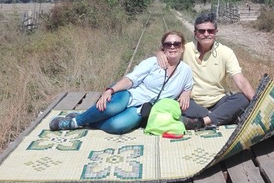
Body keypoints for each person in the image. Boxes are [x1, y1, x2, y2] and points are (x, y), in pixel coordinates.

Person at [49, 31, 192, 135]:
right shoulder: (152, 62)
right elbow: (131, 79)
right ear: (163, 48)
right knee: (111, 107)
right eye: (168, 44)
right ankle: (75, 122)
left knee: (118, 126)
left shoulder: (185, 71)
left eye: (176, 44)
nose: (172, 47)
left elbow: (188, 86)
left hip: (142, 109)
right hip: (131, 95)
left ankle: (87, 119)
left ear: (182, 47)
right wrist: (110, 90)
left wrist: (186, 93)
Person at [158, 12, 255, 130]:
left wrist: (257, 102)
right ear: (195, 33)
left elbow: (240, 80)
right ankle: (220, 117)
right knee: (174, 101)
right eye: (201, 31)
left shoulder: (225, 52)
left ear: (216, 32)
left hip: (218, 101)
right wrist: (160, 53)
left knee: (242, 99)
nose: (206, 34)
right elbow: (169, 48)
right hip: (191, 102)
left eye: (210, 31)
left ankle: (202, 121)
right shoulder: (186, 48)